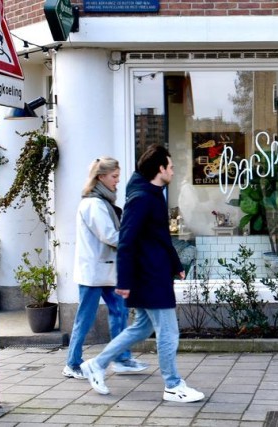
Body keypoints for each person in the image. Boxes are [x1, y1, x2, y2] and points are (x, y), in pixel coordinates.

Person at [81, 145, 205, 403]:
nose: (172, 170)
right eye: (170, 166)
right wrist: (124, 281)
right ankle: (173, 385)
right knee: (169, 332)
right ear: (160, 169)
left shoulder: (153, 194)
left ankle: (97, 364)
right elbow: (126, 240)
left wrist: (176, 264)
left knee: (141, 327)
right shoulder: (142, 198)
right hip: (148, 277)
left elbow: (159, 237)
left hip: (154, 273)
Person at [63, 157, 148, 379]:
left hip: (106, 271)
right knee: (86, 318)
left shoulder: (102, 202)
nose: (117, 182)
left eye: (118, 177)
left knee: (119, 312)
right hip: (94, 273)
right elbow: (109, 236)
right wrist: (134, 237)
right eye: (114, 177)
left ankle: (121, 359)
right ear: (101, 177)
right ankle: (72, 363)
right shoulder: (93, 204)